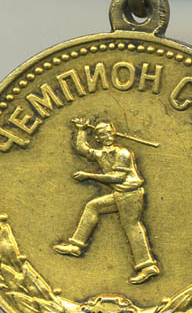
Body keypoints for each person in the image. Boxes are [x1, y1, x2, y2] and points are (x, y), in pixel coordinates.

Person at [53, 118, 160, 284]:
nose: (108, 136)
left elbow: (117, 178)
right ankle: (76, 246)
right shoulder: (101, 154)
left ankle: (147, 266)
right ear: (97, 138)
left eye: (110, 133)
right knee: (93, 207)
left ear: (114, 134)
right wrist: (81, 130)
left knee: (131, 226)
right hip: (120, 194)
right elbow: (82, 149)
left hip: (130, 193)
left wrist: (89, 176)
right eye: (103, 134)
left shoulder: (123, 154)